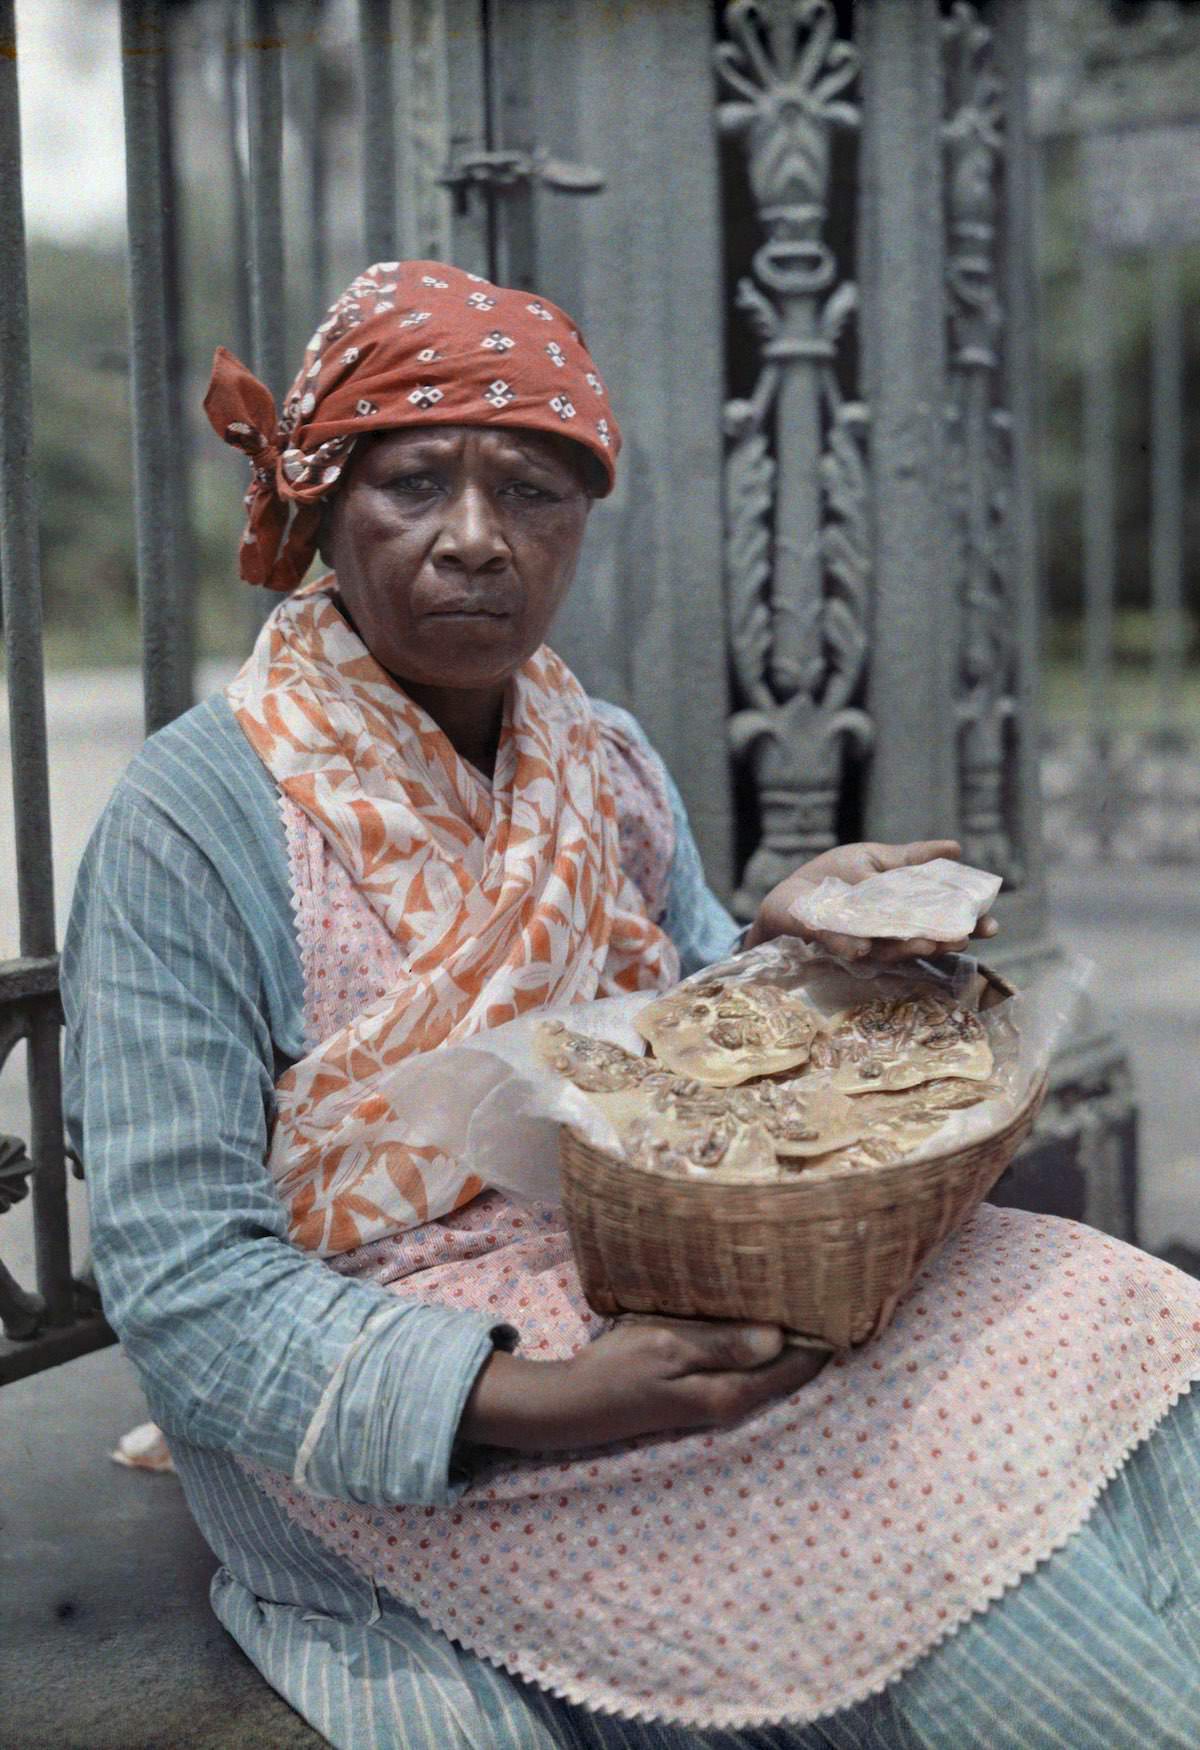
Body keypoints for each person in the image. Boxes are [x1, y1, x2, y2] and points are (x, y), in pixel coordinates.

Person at [63, 260, 1200, 1750]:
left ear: (582, 523)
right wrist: (561, 1399)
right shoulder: (193, 817)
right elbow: (180, 1281)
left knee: (1121, 1325)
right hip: (392, 1398)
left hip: (639, 1280)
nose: (477, 539)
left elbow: (679, 1069)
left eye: (533, 491)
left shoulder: (600, 761)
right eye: (415, 483)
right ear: (326, 507)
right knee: (967, 1585)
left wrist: (799, 946)